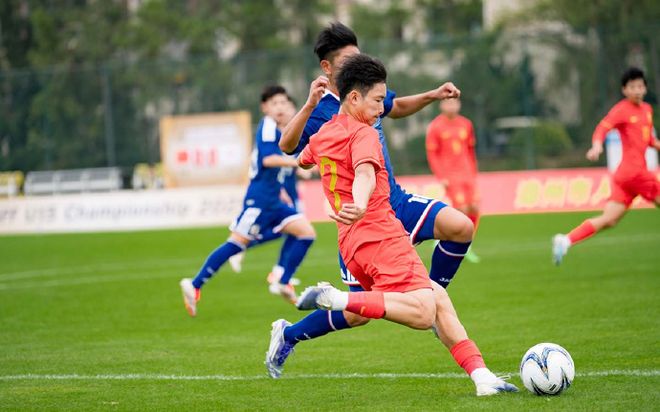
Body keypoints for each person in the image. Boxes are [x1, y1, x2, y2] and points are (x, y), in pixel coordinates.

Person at [268, 54, 517, 397]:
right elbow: (366, 173)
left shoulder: (325, 133)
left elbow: (295, 154)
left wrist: (310, 107)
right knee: (424, 312)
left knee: (438, 298)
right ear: (353, 97)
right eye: (376, 100)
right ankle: (336, 298)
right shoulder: (365, 134)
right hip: (379, 233)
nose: (380, 108)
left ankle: (482, 377)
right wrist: (360, 202)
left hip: (351, 243)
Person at [269, 22, 473, 356]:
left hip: (394, 202)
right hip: (359, 221)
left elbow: (397, 107)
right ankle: (288, 335)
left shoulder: (369, 91)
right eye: (347, 59)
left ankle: (432, 298)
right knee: (356, 314)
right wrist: (307, 105)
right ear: (327, 67)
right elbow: (289, 147)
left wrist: (433, 95)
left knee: (461, 227)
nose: (356, 61)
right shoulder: (320, 112)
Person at [179, 86, 316, 315]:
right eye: (274, 103)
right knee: (236, 243)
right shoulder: (268, 126)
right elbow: (269, 160)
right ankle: (195, 284)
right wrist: (299, 162)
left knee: (306, 233)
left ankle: (283, 281)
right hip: (259, 200)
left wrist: (284, 185)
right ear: (265, 107)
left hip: (274, 200)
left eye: (283, 103)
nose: (280, 107)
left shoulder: (280, 130)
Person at [553, 67, 659, 265]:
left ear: (645, 88)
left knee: (609, 219)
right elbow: (603, 128)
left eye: (640, 86)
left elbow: (649, 140)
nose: (637, 90)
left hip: (624, 178)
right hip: (635, 173)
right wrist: (597, 146)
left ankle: (565, 240)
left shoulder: (647, 110)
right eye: (632, 87)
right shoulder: (621, 110)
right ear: (624, 90)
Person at [426, 97, 481, 263]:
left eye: (454, 102)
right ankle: (449, 240)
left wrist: (473, 171)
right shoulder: (435, 126)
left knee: (475, 208)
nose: (452, 105)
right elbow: (432, 154)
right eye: (448, 102)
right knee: (461, 209)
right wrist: (441, 176)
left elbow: (470, 150)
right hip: (450, 175)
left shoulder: (466, 124)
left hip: (467, 173)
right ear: (441, 105)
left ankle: (467, 243)